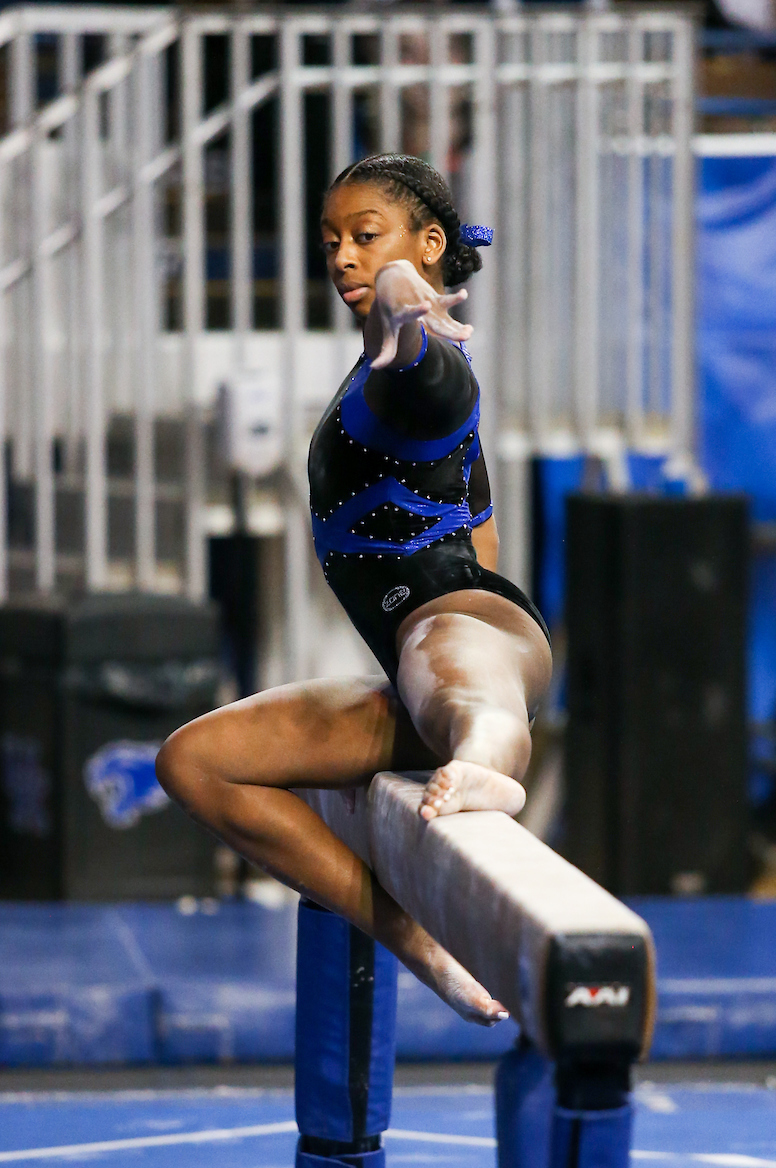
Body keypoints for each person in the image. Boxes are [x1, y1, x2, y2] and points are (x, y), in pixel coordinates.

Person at [156, 154, 552, 1025]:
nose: (342, 255)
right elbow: (478, 517)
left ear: (429, 242)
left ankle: (488, 759)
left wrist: (405, 297)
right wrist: (395, 301)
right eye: (331, 239)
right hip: (417, 666)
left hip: (470, 629)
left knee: (446, 667)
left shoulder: (421, 371)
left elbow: (422, 365)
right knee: (192, 761)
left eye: (366, 236)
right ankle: (417, 941)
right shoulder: (374, 373)